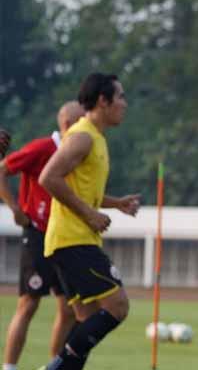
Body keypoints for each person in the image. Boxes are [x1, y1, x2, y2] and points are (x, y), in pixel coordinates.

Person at [38, 73, 140, 370]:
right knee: (118, 306)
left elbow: (82, 189)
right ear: (102, 101)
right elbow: (49, 178)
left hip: (73, 239)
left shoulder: (97, 138)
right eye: (120, 97)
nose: (125, 104)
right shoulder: (82, 136)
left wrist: (116, 204)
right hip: (72, 240)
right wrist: (89, 214)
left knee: (86, 317)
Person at [0, 103, 84, 370]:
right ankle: (9, 367)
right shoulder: (42, 148)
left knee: (69, 309)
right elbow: (2, 169)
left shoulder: (77, 154)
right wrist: (14, 208)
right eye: (84, 122)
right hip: (38, 233)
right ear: (70, 123)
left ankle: (53, 367)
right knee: (28, 303)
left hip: (64, 237)